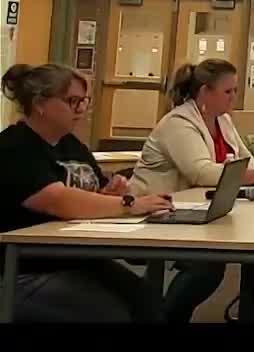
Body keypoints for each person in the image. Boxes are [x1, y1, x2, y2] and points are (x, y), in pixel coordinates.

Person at [0, 63, 173, 322]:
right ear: (40, 104)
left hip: (76, 260)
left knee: (146, 299)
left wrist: (111, 194)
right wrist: (129, 203)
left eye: (84, 101)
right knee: (111, 315)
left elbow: (93, 196)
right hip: (25, 270)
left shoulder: (71, 144)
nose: (81, 110)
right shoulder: (14, 148)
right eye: (73, 101)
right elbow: (58, 200)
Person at [128, 58, 254, 322]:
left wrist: (252, 172)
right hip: (158, 212)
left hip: (198, 209)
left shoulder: (222, 121)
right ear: (205, 92)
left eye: (235, 90)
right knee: (207, 267)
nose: (234, 97)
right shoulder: (178, 123)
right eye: (228, 91)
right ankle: (164, 318)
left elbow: (245, 161)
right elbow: (201, 173)